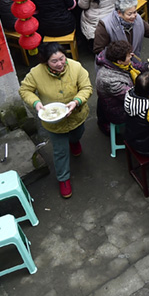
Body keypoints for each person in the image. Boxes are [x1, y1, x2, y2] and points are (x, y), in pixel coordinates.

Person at [18, 43, 91, 198]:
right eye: (54, 61)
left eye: (62, 58)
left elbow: (86, 88)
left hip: (76, 114)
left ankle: (74, 141)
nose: (60, 64)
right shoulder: (36, 73)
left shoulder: (76, 67)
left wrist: (76, 101)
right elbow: (25, 90)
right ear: (46, 61)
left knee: (78, 133)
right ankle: (63, 179)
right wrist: (36, 103)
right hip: (54, 121)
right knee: (60, 152)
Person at [94, 40, 143, 134]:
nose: (131, 56)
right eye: (128, 55)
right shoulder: (109, 79)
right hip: (119, 111)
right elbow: (132, 97)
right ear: (119, 61)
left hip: (121, 98)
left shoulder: (118, 63)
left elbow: (135, 66)